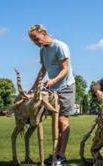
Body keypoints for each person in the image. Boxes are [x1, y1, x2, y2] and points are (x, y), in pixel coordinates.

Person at [28, 24, 75, 165]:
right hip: (52, 89)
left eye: (36, 39)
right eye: (33, 41)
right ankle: (55, 154)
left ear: (44, 33)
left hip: (66, 87)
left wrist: (52, 80)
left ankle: (61, 155)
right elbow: (43, 69)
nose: (35, 43)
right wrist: (33, 87)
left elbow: (65, 69)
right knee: (55, 123)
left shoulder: (60, 46)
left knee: (62, 120)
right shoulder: (43, 51)